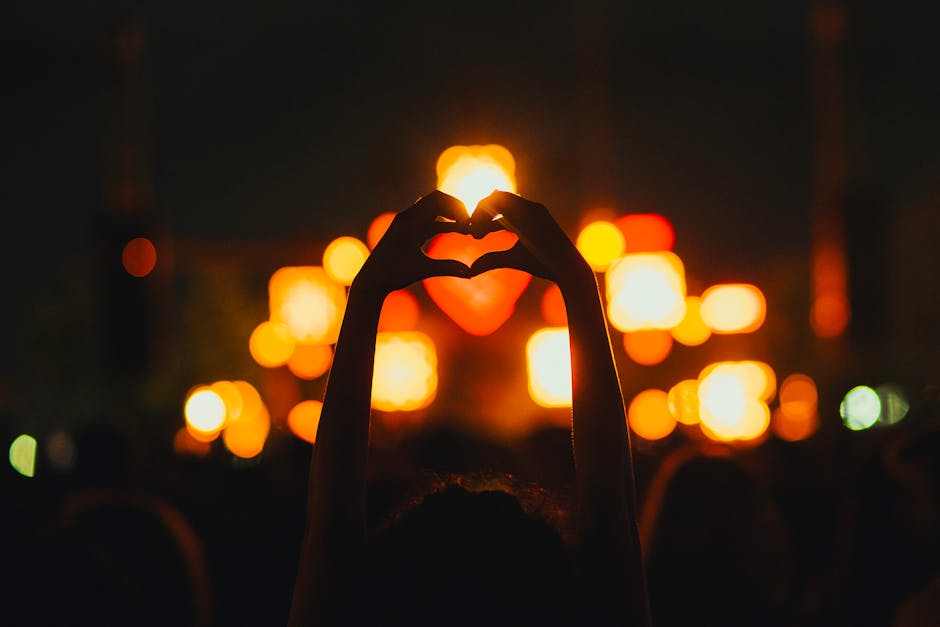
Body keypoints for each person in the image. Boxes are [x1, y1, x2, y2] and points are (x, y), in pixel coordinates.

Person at [287, 191, 651, 626]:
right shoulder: (582, 611)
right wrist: (577, 282)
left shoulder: (367, 607)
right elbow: (614, 521)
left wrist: (365, 294)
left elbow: (331, 528)